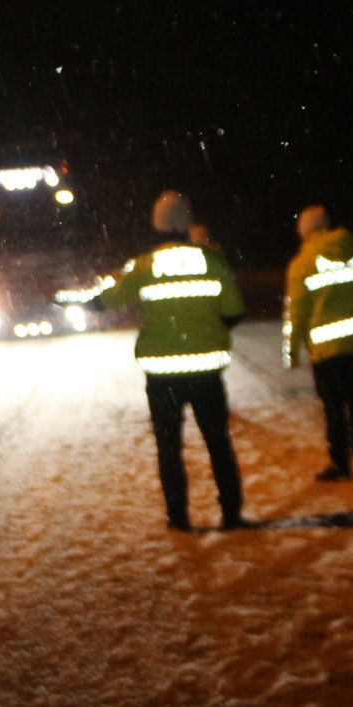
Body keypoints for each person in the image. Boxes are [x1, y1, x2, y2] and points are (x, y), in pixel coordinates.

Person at [88, 190, 246, 530]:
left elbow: (105, 302)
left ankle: (179, 516)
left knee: (169, 447)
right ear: (188, 222)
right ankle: (231, 512)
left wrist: (66, 298)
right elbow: (234, 312)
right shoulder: (213, 262)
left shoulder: (143, 267)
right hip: (207, 372)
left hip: (163, 377)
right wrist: (207, 329)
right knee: (219, 443)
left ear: (156, 224)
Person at [283, 204, 353, 481]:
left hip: (326, 352)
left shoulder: (302, 264)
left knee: (334, 407)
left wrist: (291, 352)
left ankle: (340, 463)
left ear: (304, 232)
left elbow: (296, 311)